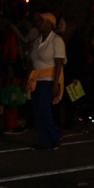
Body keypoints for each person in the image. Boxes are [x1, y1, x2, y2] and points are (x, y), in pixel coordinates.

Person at [26, 12, 65, 150]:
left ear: (50, 23)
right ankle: (44, 140)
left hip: (48, 79)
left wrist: (56, 84)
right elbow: (33, 61)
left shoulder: (56, 41)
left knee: (43, 108)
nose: (39, 23)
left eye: (42, 21)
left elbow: (59, 63)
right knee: (37, 111)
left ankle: (55, 134)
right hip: (37, 79)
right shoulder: (37, 41)